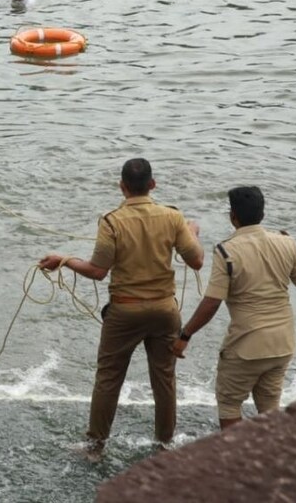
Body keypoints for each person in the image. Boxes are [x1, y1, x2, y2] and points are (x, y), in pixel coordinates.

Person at [38, 158, 203, 456]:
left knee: (109, 378)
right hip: (165, 311)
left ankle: (95, 445)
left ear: (122, 187)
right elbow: (197, 261)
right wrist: (191, 232)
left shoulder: (112, 221)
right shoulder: (173, 217)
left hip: (125, 312)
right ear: (153, 185)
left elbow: (98, 271)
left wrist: (62, 260)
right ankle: (165, 444)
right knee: (164, 378)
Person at [172, 186, 296, 430]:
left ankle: (237, 464)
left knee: (229, 404)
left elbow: (212, 302)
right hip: (282, 345)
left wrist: (185, 334)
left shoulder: (226, 252)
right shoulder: (287, 243)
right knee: (269, 408)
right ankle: (269, 460)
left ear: (232, 217)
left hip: (246, 346)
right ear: (263, 214)